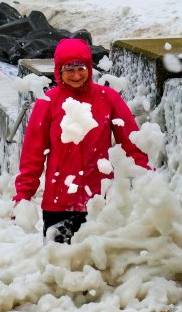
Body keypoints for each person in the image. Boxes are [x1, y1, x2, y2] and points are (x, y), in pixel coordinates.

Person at [13, 38, 150, 243]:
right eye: (69, 70)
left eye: (81, 68)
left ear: (89, 67)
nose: (76, 75)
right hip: (59, 203)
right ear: (59, 71)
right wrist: (23, 196)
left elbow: (131, 143)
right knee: (58, 265)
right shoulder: (47, 103)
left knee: (98, 267)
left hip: (99, 201)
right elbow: (32, 155)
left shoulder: (108, 98)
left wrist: (147, 180)